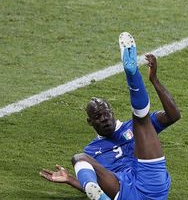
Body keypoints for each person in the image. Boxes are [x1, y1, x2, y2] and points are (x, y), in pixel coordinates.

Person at [40, 32, 179, 199]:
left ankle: (131, 71)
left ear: (112, 112)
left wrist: (155, 80)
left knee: (140, 121)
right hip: (123, 189)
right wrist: (70, 179)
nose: (104, 118)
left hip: (146, 177)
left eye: (106, 113)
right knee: (80, 157)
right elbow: (98, 185)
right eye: (98, 116)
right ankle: (132, 75)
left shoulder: (128, 127)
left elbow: (173, 115)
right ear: (90, 122)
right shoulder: (91, 150)